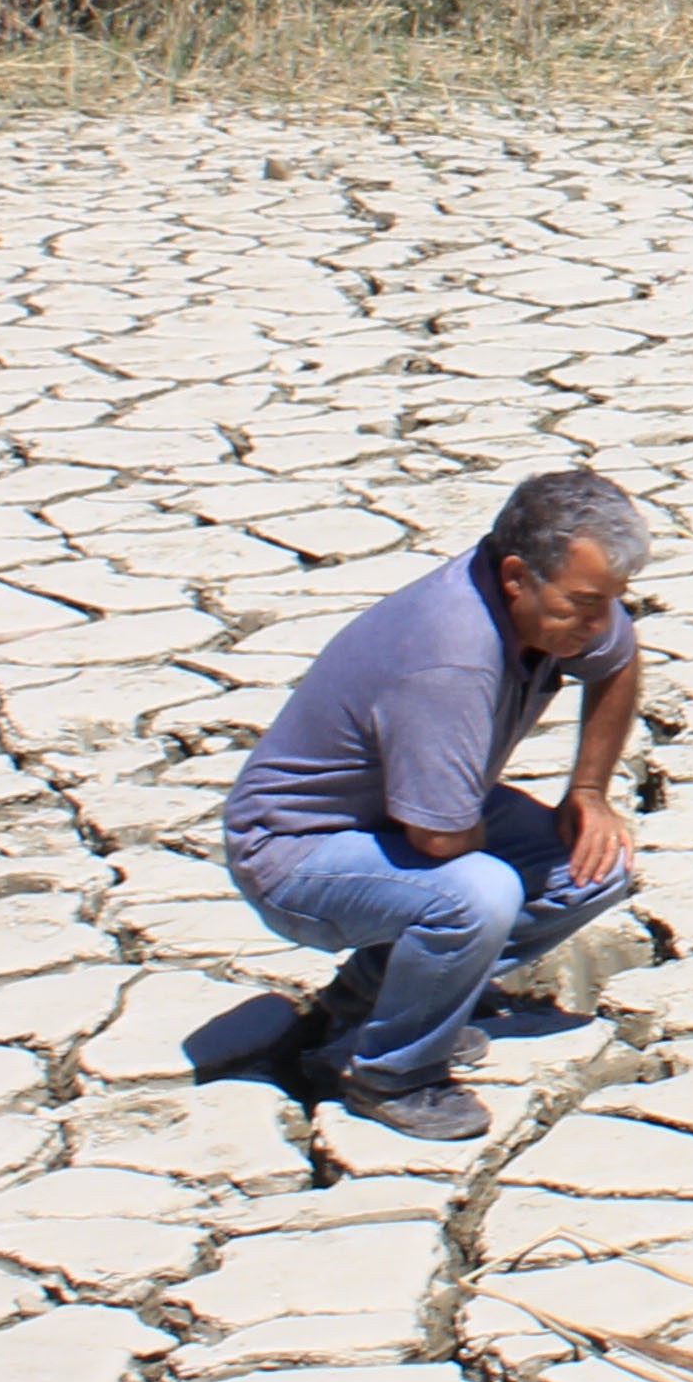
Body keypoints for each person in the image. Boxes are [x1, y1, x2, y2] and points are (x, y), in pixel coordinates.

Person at [220, 467, 650, 1141]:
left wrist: (589, 791)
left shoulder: (561, 607)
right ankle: (392, 1072)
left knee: (593, 867)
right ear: (516, 576)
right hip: (297, 850)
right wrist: (465, 934)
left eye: (611, 600)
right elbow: (440, 844)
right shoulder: (451, 658)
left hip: (400, 815)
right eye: (585, 602)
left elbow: (618, 658)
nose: (600, 622)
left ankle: (371, 997)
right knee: (477, 894)